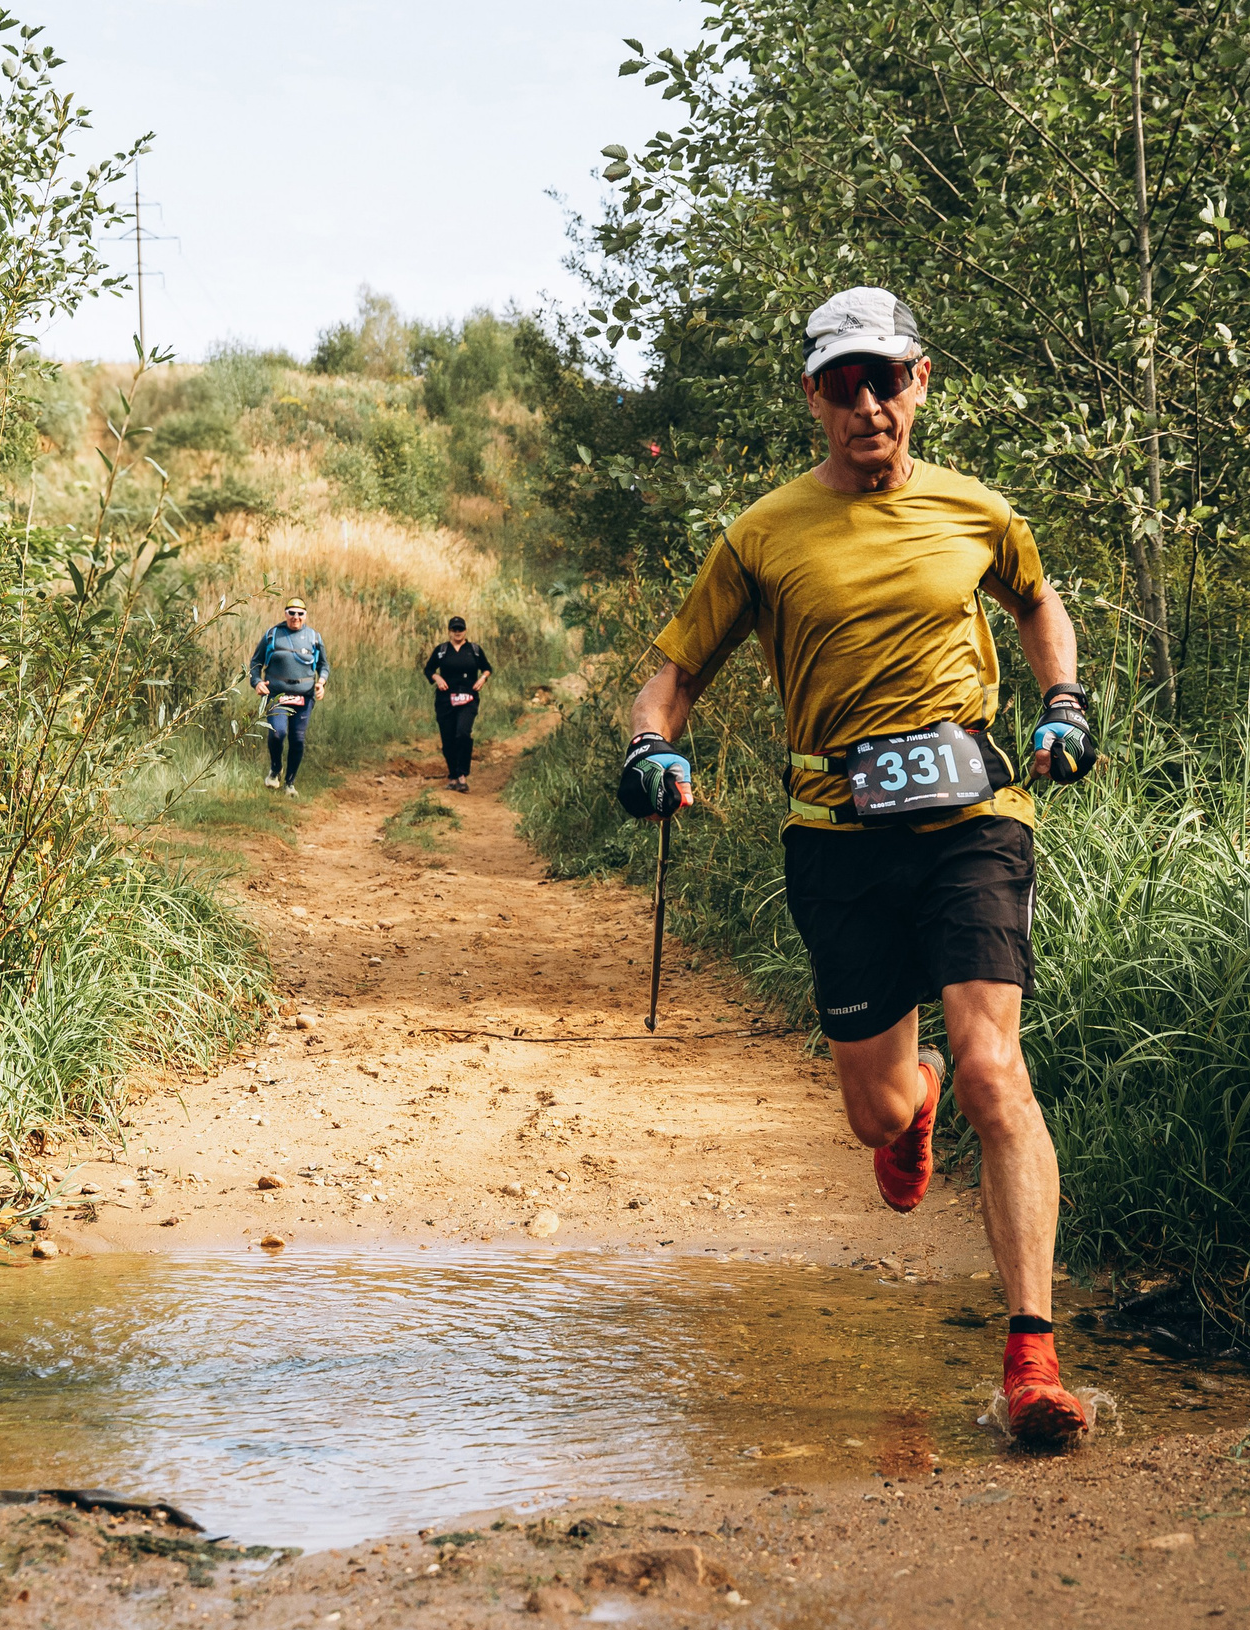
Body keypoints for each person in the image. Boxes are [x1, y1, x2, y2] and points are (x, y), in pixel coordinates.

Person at [614, 286, 1100, 1447]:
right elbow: (671, 675)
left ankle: (1031, 1359)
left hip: (977, 816)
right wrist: (649, 749)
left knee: (997, 1071)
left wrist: (1064, 702)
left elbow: (1039, 602)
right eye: (844, 384)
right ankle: (910, 1099)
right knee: (877, 1110)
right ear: (814, 399)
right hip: (835, 838)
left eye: (886, 379)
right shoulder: (761, 536)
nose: (868, 404)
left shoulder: (978, 511)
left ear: (919, 382)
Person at [248, 598, 328, 795]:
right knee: (278, 733)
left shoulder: (314, 637)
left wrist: (321, 682)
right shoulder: (272, 634)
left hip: (304, 698)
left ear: (305, 616)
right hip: (277, 695)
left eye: (300, 614)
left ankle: (289, 784)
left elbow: (323, 666)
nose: (296, 617)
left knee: (298, 739)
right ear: (285, 614)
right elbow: (256, 663)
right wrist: (257, 682)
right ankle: (275, 769)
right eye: (292, 613)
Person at [422, 616, 493, 791]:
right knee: (448, 737)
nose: (457, 633)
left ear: (465, 631)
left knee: (462, 733)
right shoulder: (442, 650)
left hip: (468, 697)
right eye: (454, 629)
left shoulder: (474, 650)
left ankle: (462, 774)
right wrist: (437, 678)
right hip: (446, 699)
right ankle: (453, 775)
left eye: (460, 629)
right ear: (449, 631)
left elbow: (487, 668)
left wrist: (483, 679)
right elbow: (428, 668)